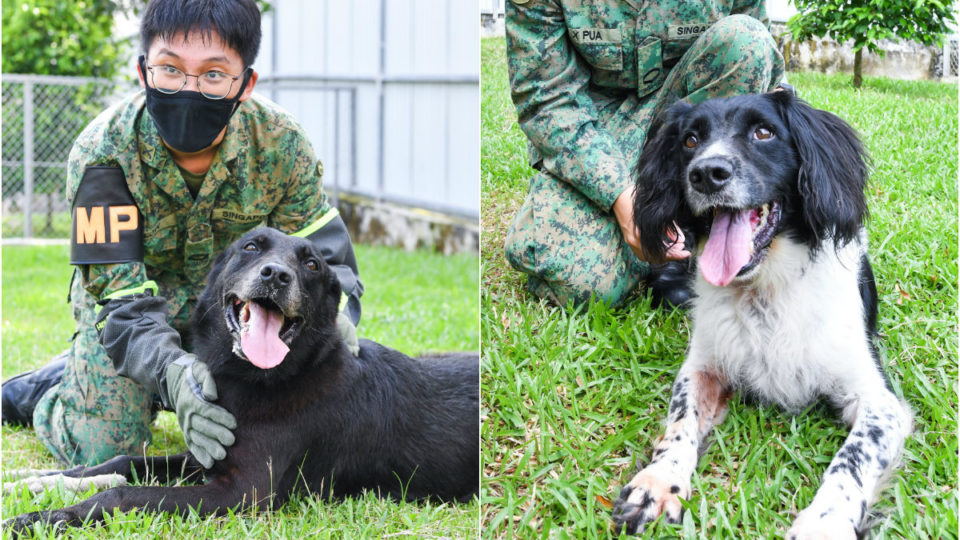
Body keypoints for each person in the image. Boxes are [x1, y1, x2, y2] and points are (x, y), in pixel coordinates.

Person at [1, 0, 363, 469]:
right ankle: (55, 390)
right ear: (142, 71)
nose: (189, 90)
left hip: (238, 315)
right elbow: (119, 299)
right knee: (106, 450)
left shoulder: (281, 144)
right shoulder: (103, 152)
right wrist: (172, 374)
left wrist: (335, 323)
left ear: (245, 84)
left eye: (214, 75)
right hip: (131, 319)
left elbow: (331, 265)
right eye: (170, 69)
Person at [503, 0, 786, 308]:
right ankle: (659, 233)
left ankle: (690, 240)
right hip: (598, 130)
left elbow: (760, 66)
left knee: (745, 40)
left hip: (693, 126)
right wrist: (619, 194)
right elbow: (547, 99)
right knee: (580, 285)